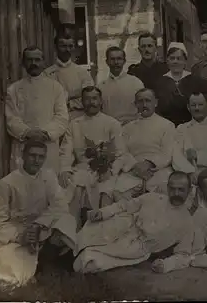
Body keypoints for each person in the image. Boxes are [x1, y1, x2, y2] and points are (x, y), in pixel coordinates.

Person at [0, 140, 77, 288]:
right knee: (10, 269)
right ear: (23, 155)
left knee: (67, 220)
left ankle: (47, 259)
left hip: (40, 229)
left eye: (41, 157)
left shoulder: (49, 177)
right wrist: (20, 235)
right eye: (32, 155)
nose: (36, 160)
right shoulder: (5, 184)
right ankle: (41, 264)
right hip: (16, 235)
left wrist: (39, 225)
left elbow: (60, 206)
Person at [73, 171, 200, 274]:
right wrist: (102, 212)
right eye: (172, 189)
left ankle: (78, 256)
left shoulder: (187, 222)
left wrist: (166, 265)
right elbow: (124, 206)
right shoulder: (153, 198)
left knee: (86, 264)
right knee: (83, 237)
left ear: (189, 190)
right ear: (167, 188)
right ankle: (70, 249)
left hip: (135, 249)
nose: (176, 193)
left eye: (181, 190)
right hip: (120, 227)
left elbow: (183, 255)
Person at [58, 86, 138, 227]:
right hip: (82, 168)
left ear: (101, 101)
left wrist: (110, 170)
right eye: (87, 99)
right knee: (72, 188)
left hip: (107, 170)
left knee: (105, 190)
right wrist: (65, 168)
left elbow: (121, 153)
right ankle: (73, 231)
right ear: (82, 102)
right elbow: (66, 150)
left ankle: (99, 231)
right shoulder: (74, 124)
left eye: (94, 98)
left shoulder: (112, 123)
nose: (91, 102)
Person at [5, 46, 69, 172]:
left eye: (37, 59)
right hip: (23, 145)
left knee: (47, 184)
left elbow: (61, 117)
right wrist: (28, 133)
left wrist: (45, 133)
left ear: (43, 62)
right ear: (23, 63)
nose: (34, 63)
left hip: (48, 145)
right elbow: (12, 118)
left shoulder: (55, 87)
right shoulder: (14, 89)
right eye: (29, 60)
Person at [113, 88, 175, 198]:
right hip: (133, 170)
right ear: (136, 104)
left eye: (148, 100)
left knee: (162, 194)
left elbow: (167, 153)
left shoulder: (167, 125)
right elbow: (122, 152)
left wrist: (149, 164)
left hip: (158, 169)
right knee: (119, 193)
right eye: (140, 101)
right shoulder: (127, 128)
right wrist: (135, 166)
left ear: (155, 103)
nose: (144, 104)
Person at [44, 31, 95, 120]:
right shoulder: (47, 74)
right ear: (55, 47)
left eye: (70, 46)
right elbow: (48, 101)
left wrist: (65, 99)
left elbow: (89, 99)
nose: (67, 49)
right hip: (55, 120)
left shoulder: (82, 73)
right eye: (63, 46)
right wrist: (76, 94)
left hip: (79, 119)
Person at [155, 42, 207, 126]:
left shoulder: (196, 81)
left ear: (185, 61)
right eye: (172, 58)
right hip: (166, 126)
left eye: (179, 58)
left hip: (191, 125)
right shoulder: (160, 82)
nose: (175, 61)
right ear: (167, 61)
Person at [98, 46, 145, 126]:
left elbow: (144, 108)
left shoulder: (136, 83)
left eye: (119, 59)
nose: (116, 62)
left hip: (132, 129)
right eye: (112, 59)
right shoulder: (101, 87)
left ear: (124, 61)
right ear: (107, 62)